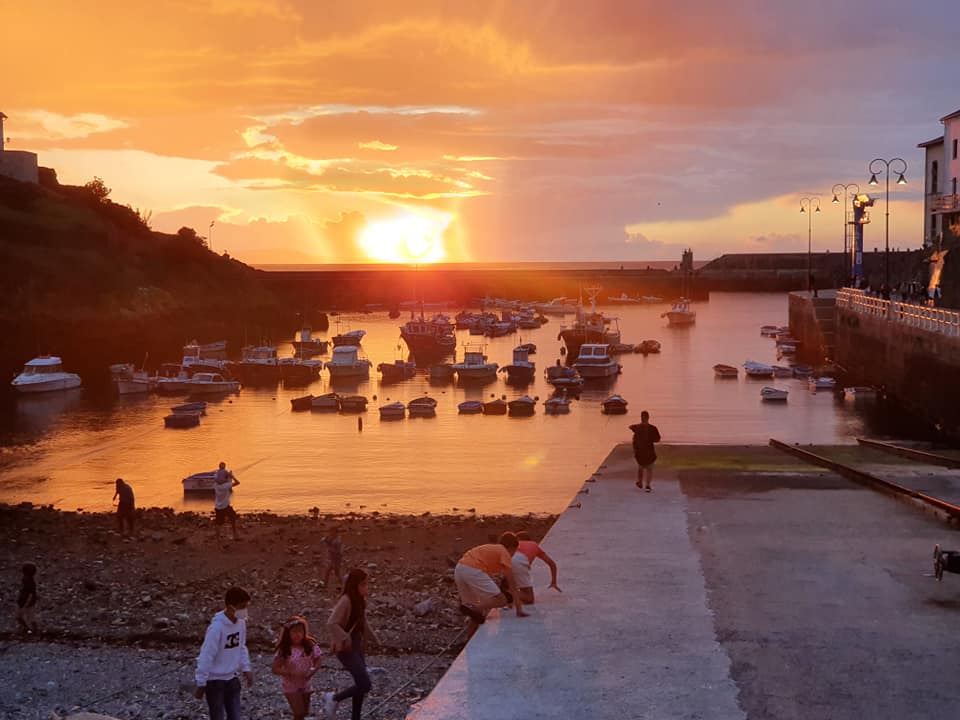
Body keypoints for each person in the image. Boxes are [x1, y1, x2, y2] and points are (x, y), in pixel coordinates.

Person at [324, 569, 380, 720]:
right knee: (365, 684)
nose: (366, 587)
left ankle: (356, 717)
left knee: (360, 684)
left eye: (367, 584)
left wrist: (375, 640)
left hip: (357, 646)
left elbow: (363, 623)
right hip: (345, 648)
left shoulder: (360, 601)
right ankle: (334, 698)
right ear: (355, 585)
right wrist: (345, 638)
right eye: (363, 584)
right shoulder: (346, 600)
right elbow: (331, 623)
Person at [454, 532, 528, 640]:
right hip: (473, 569)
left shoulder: (492, 550)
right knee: (501, 600)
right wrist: (519, 609)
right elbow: (512, 583)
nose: (513, 555)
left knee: (477, 615)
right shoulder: (504, 553)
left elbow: (487, 578)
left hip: (460, 569)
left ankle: (468, 639)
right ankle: (472, 607)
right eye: (514, 552)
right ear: (512, 548)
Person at [194, 586, 254, 720]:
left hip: (232, 678)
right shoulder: (217, 628)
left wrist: (246, 668)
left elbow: (241, 646)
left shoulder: (241, 623)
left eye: (246, 606)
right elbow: (206, 655)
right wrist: (201, 682)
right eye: (241, 606)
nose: (244, 610)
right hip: (215, 682)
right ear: (230, 606)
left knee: (235, 716)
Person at [272, 616, 324, 720]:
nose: (297, 634)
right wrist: (288, 671)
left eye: (300, 631)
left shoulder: (310, 646)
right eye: (294, 632)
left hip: (306, 683)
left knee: (304, 712)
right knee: (299, 712)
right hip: (290, 685)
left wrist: (312, 670)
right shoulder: (285, 650)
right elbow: (275, 668)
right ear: (288, 633)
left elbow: (318, 659)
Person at [511, 531, 561, 604]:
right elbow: (551, 564)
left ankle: (507, 591)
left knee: (517, 585)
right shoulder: (534, 545)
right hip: (520, 567)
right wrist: (554, 582)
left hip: (508, 565)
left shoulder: (513, 545)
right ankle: (507, 593)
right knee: (529, 599)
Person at [629, 410, 661, 492]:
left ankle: (640, 482)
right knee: (649, 468)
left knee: (640, 468)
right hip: (649, 451)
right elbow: (657, 439)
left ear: (641, 417)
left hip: (640, 451)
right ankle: (648, 484)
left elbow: (631, 428)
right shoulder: (653, 428)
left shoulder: (637, 428)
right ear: (648, 417)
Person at [214, 462, 240, 541]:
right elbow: (238, 482)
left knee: (219, 523)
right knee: (232, 519)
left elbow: (219, 478)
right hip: (224, 506)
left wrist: (228, 477)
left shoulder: (215, 484)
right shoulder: (226, 485)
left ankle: (218, 538)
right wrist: (232, 476)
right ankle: (235, 535)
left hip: (218, 506)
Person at [16, 562, 38, 634]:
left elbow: (30, 593)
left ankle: (29, 630)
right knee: (29, 617)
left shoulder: (28, 581)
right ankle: (30, 630)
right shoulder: (28, 580)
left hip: (25, 602)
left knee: (21, 616)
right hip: (25, 601)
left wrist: (27, 602)